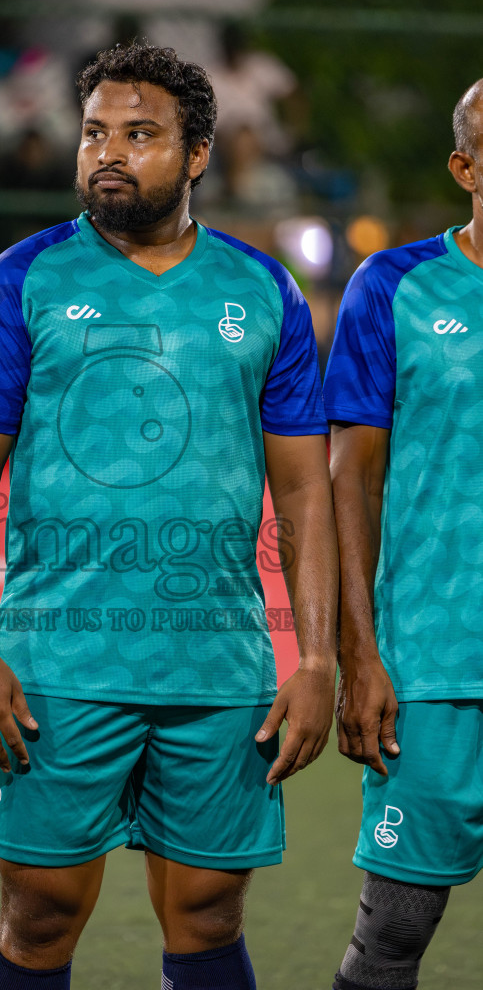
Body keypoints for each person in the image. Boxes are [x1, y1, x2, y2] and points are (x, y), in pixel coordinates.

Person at [0, 42, 338, 990]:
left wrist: (318, 658)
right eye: (93, 133)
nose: (108, 153)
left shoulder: (262, 291)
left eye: (139, 134)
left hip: (218, 667)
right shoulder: (22, 280)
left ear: (197, 154)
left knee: (206, 919)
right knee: (38, 919)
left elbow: (301, 494)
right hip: (56, 662)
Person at [323, 80, 483, 990]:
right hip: (432, 666)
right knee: (391, 940)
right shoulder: (393, 286)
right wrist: (360, 655)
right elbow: (353, 482)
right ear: (464, 167)